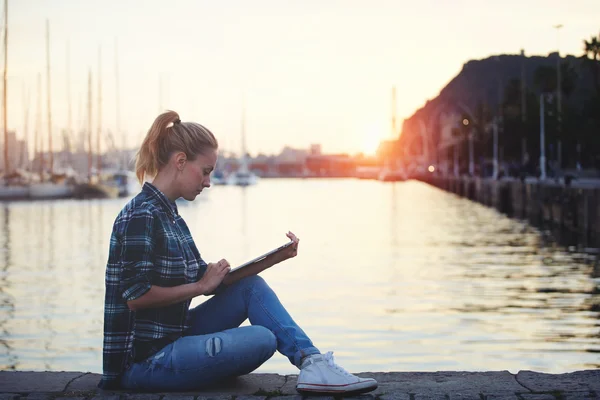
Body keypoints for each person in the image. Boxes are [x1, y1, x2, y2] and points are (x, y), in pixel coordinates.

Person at [99, 110, 378, 394]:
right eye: (205, 171)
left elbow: (211, 283)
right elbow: (136, 297)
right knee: (261, 339)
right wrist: (199, 286)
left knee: (250, 287)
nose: (208, 182)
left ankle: (313, 363)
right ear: (180, 161)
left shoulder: (170, 214)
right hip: (142, 362)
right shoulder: (142, 215)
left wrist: (275, 257)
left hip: (174, 334)